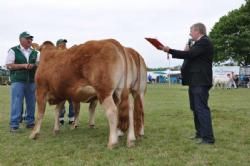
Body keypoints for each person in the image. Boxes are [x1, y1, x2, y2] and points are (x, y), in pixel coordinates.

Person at [160, 23, 215, 144]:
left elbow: (189, 55)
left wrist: (170, 50)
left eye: (191, 31)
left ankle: (208, 138)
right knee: (196, 108)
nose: (190, 34)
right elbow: (190, 55)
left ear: (198, 31)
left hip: (200, 81)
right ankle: (200, 133)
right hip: (195, 81)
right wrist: (186, 49)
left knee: (201, 108)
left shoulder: (204, 42)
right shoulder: (197, 44)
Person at [6, 31, 39, 132]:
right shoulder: (13, 50)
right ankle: (14, 125)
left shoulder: (35, 52)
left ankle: (30, 123)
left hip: (31, 81)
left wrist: (36, 65)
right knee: (16, 103)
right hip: (18, 81)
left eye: (31, 38)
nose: (30, 40)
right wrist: (24, 66)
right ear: (21, 39)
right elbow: (9, 65)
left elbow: (39, 64)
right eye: (28, 38)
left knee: (31, 103)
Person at [56, 39, 75, 125]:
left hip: (70, 81)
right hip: (59, 81)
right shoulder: (55, 55)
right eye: (62, 44)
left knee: (72, 100)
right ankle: (60, 118)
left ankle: (72, 117)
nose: (64, 45)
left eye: (65, 44)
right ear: (58, 45)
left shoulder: (69, 53)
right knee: (61, 100)